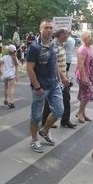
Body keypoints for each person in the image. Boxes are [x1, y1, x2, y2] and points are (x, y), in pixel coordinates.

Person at [26, 18, 64, 153]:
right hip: (40, 86)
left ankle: (45, 130)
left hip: (54, 84)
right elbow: (29, 68)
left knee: (59, 111)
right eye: (46, 28)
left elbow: (54, 64)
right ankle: (34, 140)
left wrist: (61, 78)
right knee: (36, 115)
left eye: (50, 28)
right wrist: (37, 87)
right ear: (40, 29)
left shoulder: (54, 45)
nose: (48, 30)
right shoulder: (34, 47)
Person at [41, 27, 76, 129]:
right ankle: (46, 121)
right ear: (61, 35)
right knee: (51, 100)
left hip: (62, 78)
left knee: (65, 98)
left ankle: (64, 120)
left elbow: (61, 64)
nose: (68, 36)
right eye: (66, 34)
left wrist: (66, 76)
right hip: (55, 78)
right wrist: (63, 78)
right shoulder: (54, 46)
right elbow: (54, 64)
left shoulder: (61, 45)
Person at [75, 30, 93, 123]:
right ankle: (79, 112)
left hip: (90, 74)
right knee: (88, 94)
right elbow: (80, 64)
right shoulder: (82, 49)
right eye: (91, 38)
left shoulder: (91, 47)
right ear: (85, 38)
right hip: (83, 74)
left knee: (84, 94)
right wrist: (84, 77)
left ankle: (82, 113)